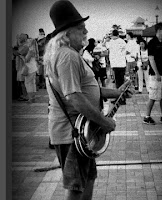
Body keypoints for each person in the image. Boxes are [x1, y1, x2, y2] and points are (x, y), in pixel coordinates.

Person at [43, 1, 132, 200]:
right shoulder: (67, 56)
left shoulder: (70, 54)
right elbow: (74, 97)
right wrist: (104, 121)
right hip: (72, 133)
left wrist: (116, 93)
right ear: (66, 33)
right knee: (76, 187)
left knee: (87, 179)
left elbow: (87, 89)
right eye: (81, 28)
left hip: (80, 131)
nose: (86, 31)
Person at [143, 22, 162, 125]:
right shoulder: (152, 43)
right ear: (159, 30)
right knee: (153, 96)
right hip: (155, 75)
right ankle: (147, 117)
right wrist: (157, 73)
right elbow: (151, 59)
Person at [106, 29, 127, 104]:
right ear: (118, 34)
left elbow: (105, 46)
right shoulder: (122, 41)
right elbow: (125, 51)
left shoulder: (111, 42)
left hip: (115, 64)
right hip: (122, 64)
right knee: (121, 82)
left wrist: (106, 38)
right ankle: (122, 98)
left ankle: (120, 99)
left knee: (118, 83)